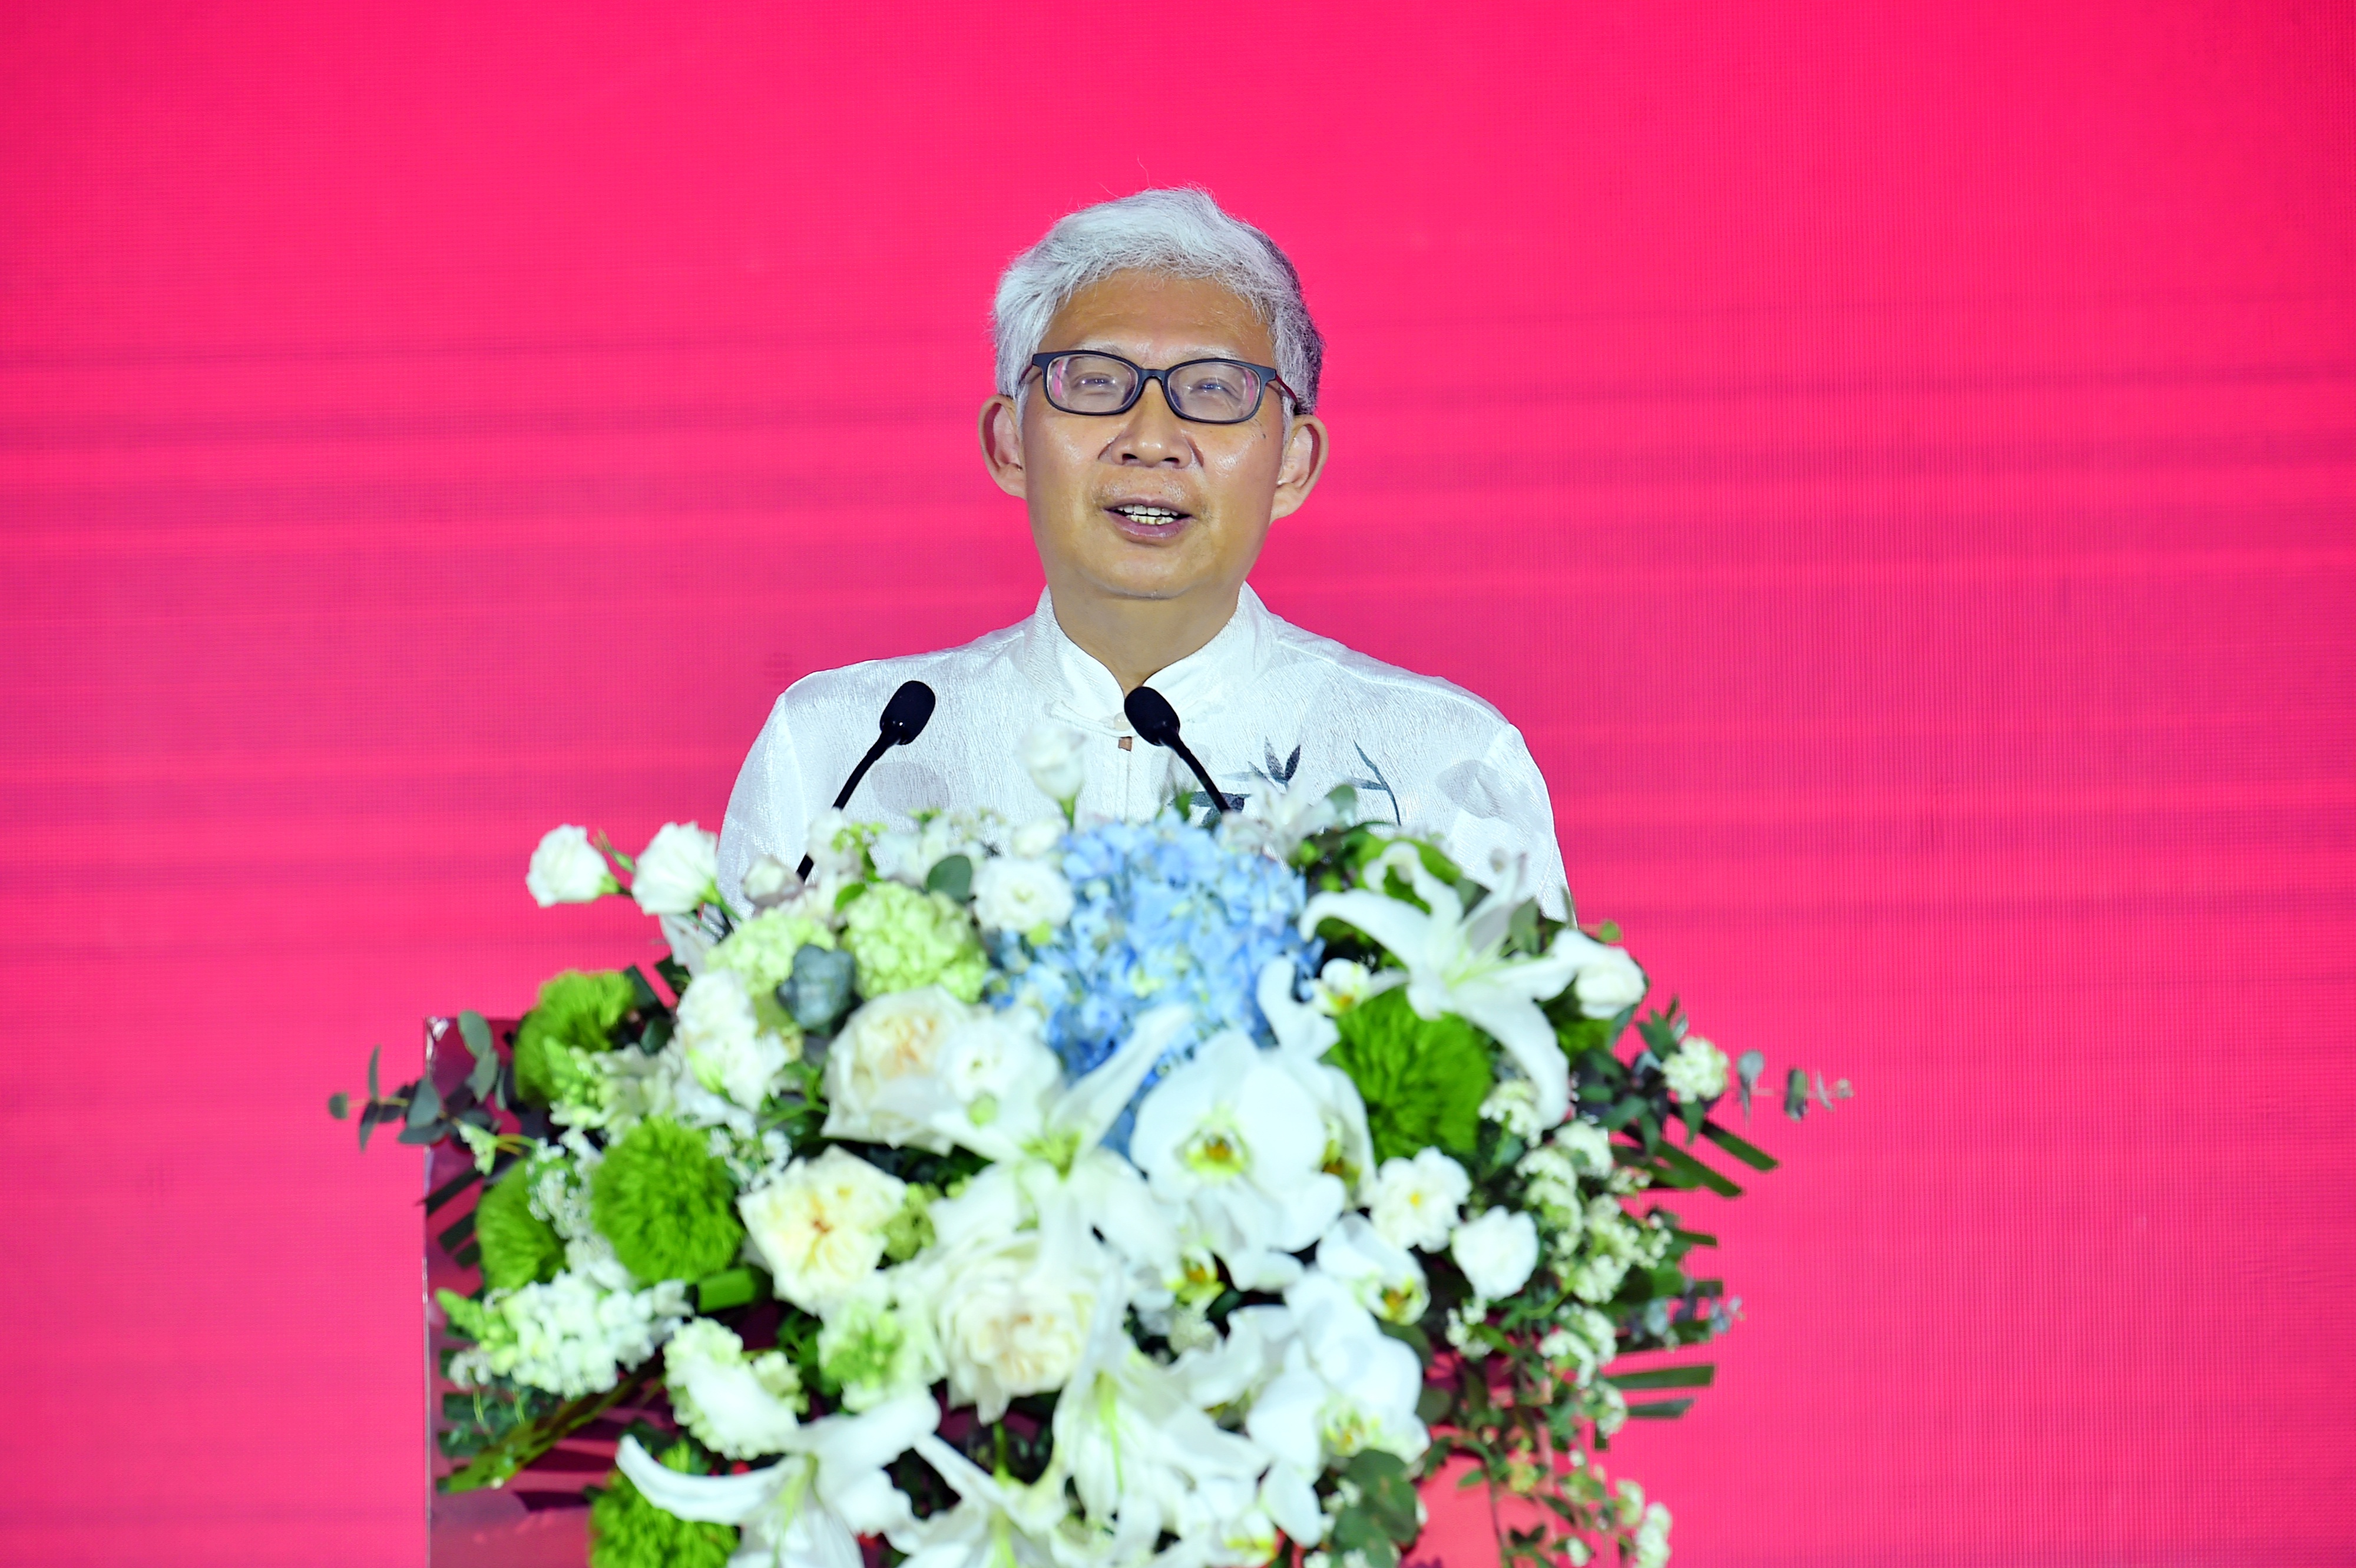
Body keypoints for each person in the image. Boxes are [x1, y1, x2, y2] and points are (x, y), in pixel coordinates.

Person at [717, 188, 1567, 911]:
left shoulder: (1444, 763)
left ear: (1293, 464)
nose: (1151, 440)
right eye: (1095, 382)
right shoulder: (839, 749)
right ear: (1010, 444)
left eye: (1214, 389)